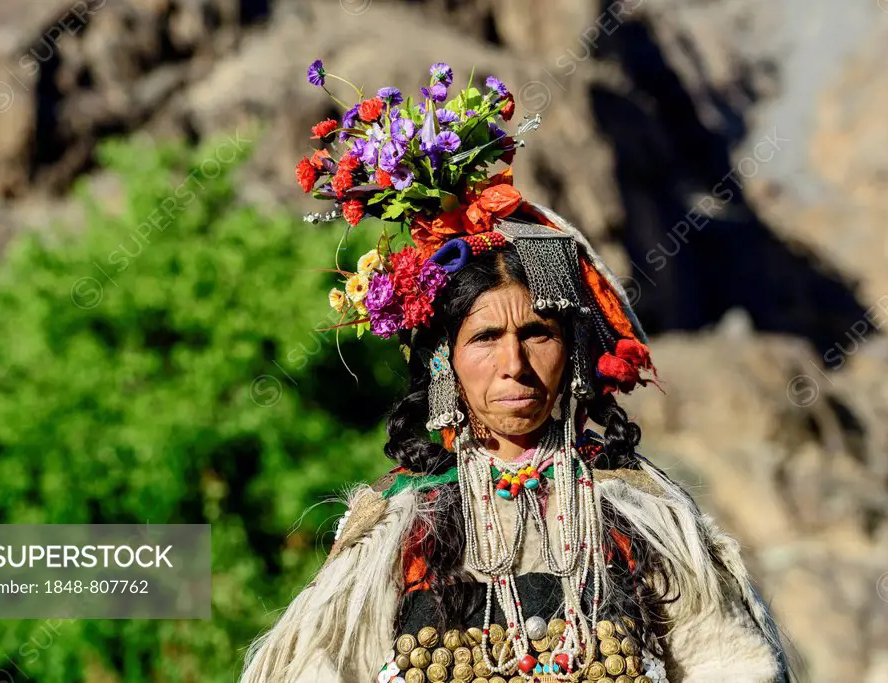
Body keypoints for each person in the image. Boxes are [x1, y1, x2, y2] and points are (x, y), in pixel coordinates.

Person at [239, 62, 793, 683]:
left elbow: (735, 665)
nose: (515, 365)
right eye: (485, 339)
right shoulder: (396, 530)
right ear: (444, 362)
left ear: (573, 350)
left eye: (538, 334)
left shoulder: (643, 519)